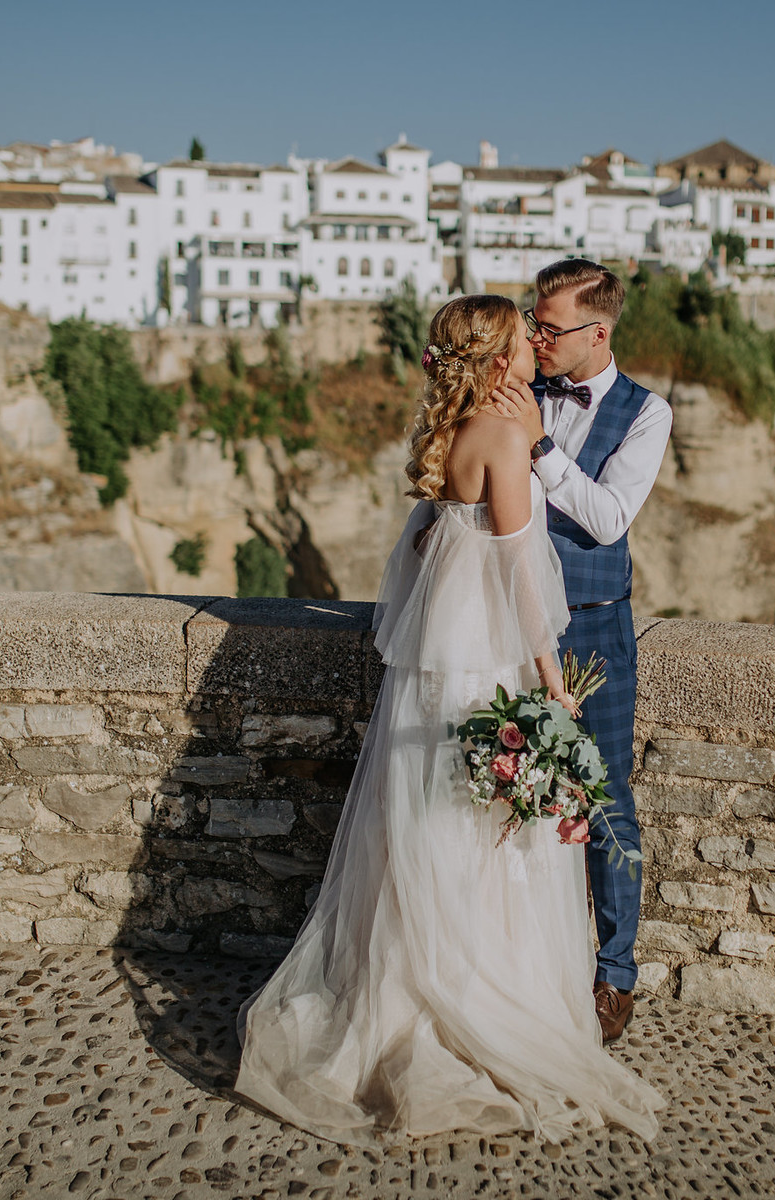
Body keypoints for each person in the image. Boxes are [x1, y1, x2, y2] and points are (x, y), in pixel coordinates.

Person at [234, 294, 664, 1145]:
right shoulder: (508, 434)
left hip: (434, 665)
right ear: (501, 354)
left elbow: (430, 546)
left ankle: (406, 985)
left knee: (430, 830)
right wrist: (554, 684)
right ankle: (482, 997)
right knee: (488, 830)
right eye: (523, 336)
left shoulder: (457, 429)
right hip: (492, 661)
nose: (536, 345)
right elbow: (514, 573)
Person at [490, 260, 673, 1045]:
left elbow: (605, 518)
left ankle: (616, 974)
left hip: (595, 623)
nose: (537, 336)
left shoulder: (647, 412)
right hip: (508, 620)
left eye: (550, 326)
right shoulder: (522, 388)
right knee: (499, 787)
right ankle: (515, 961)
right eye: (535, 321)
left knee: (607, 802)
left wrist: (538, 449)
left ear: (598, 333)